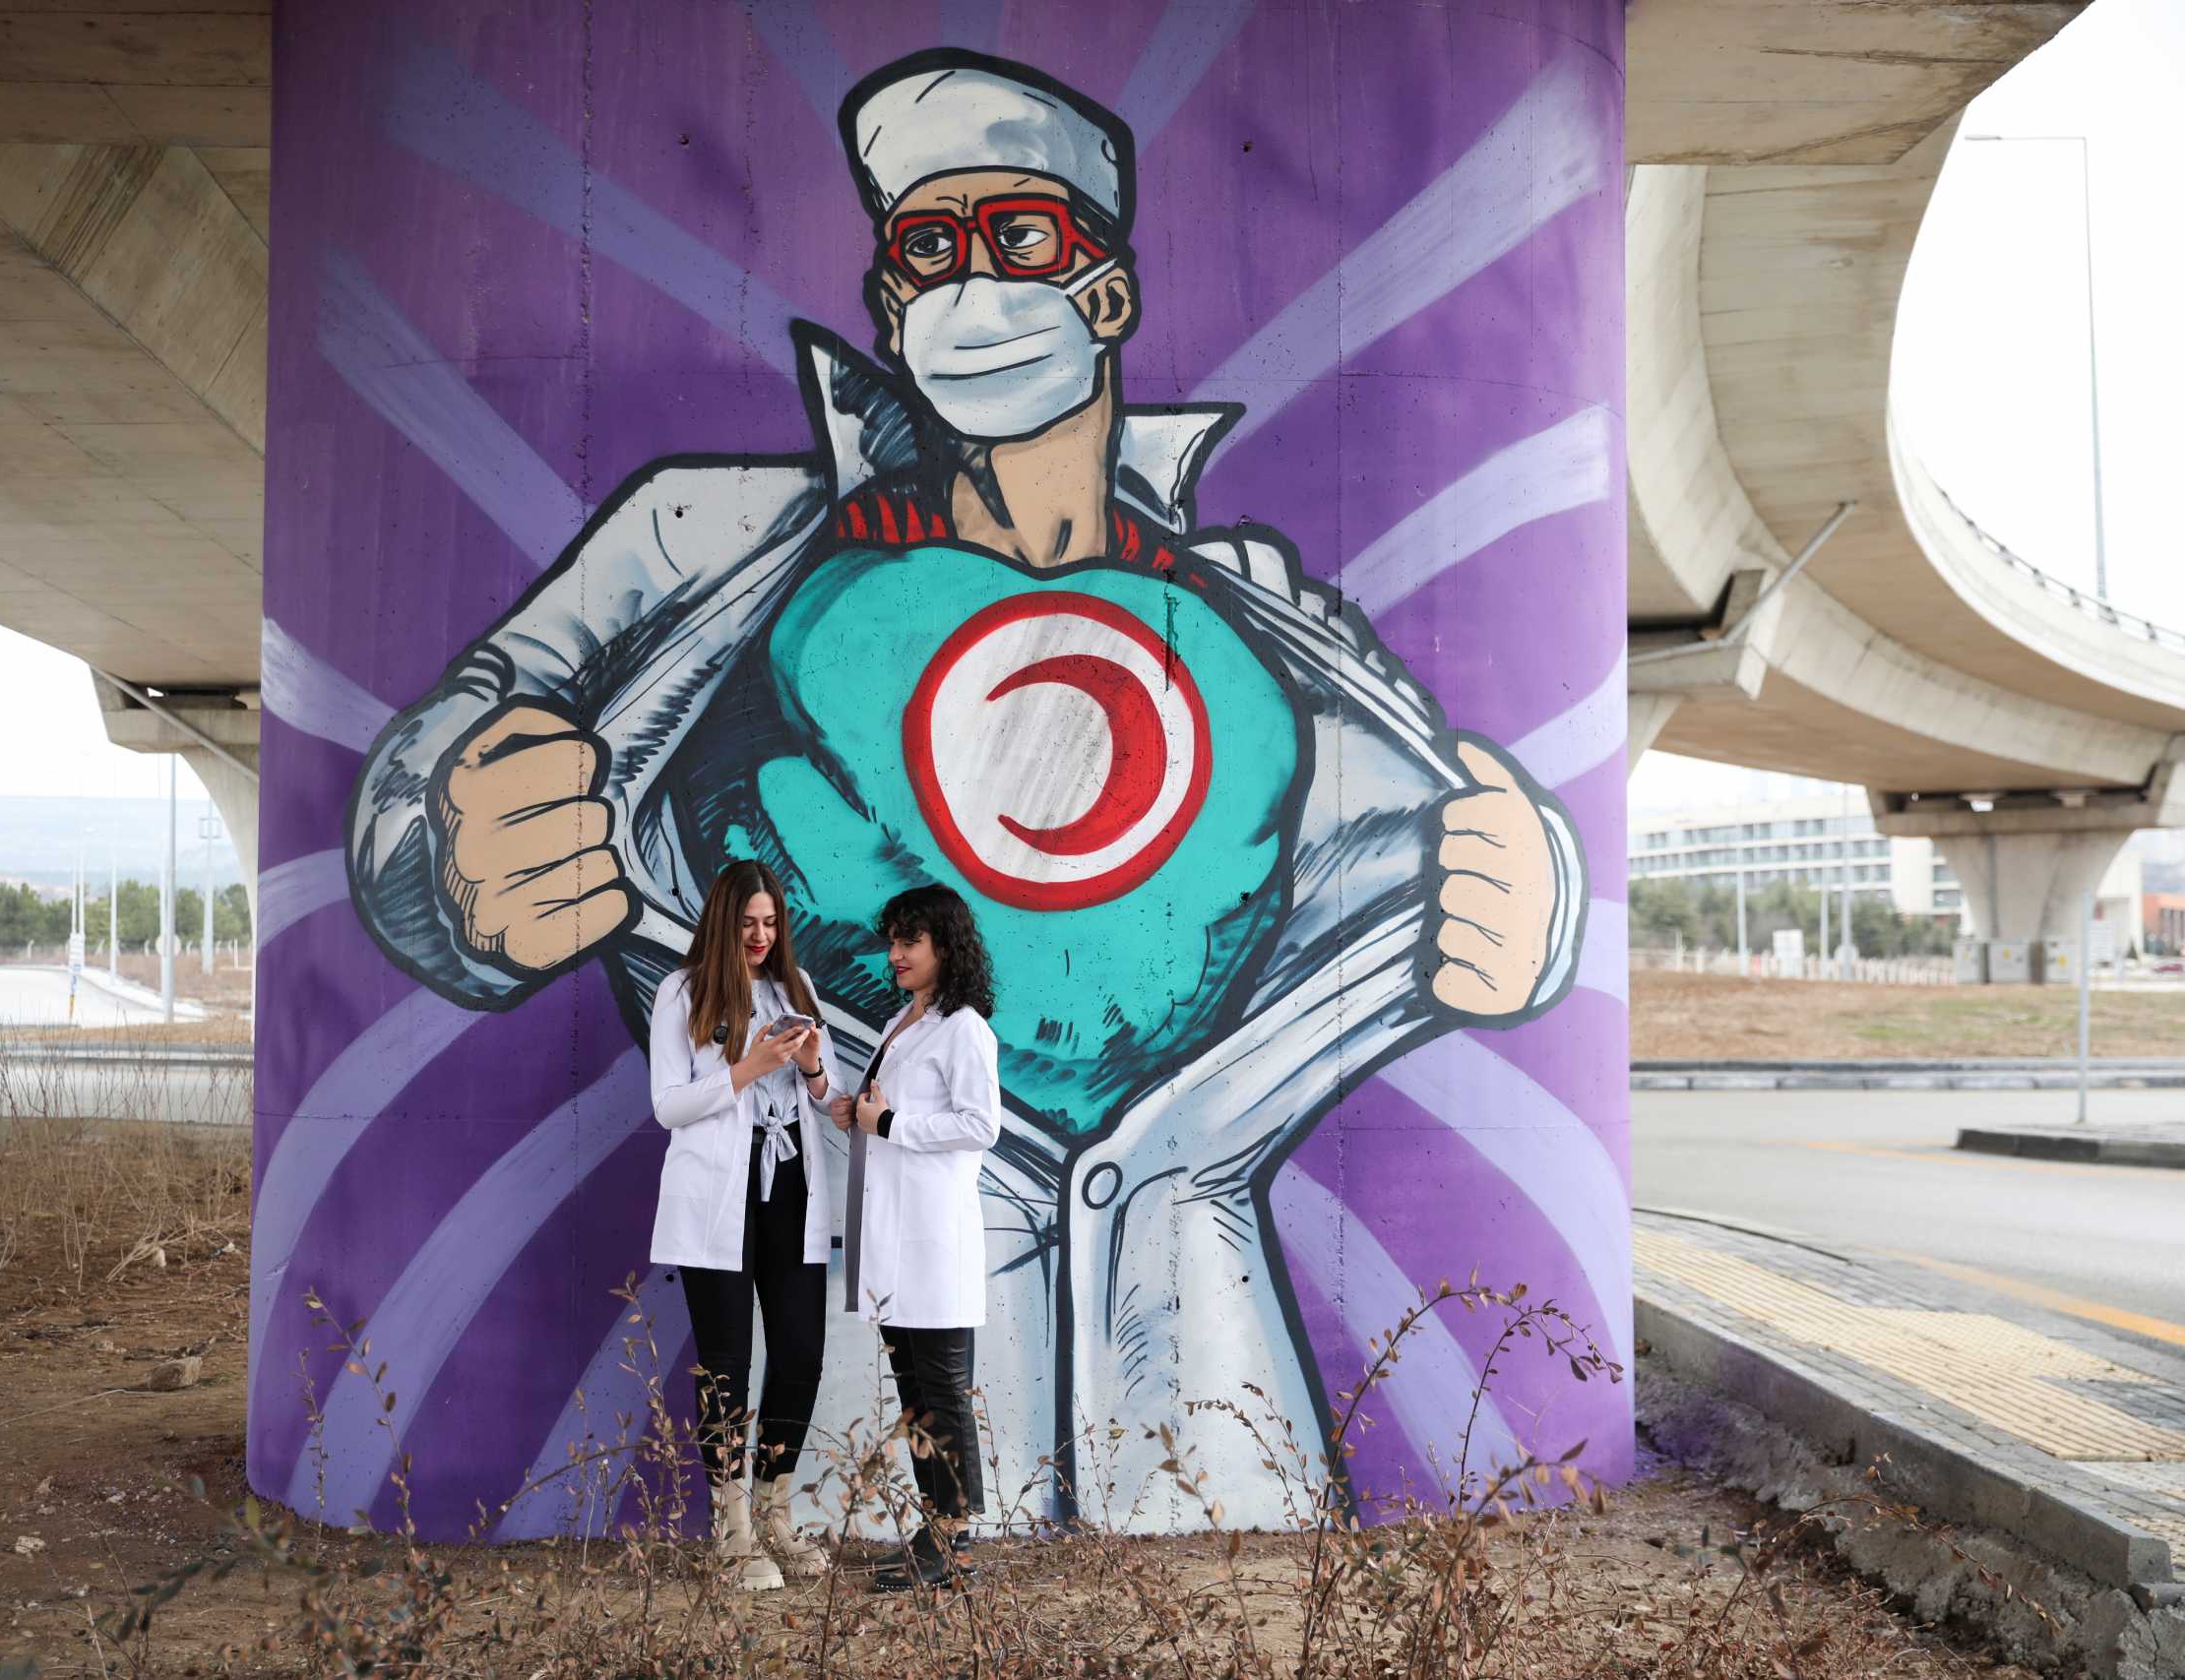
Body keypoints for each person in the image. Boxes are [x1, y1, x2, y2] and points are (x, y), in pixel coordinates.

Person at [348, 48, 1587, 1526]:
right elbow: (450, 749)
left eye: (1019, 242)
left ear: (1108, 294)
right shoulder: (715, 538)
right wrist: (451, 861)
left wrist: (1539, 903)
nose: (969, 289)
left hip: (1201, 1387)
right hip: (881, 1291)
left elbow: (1443, 823)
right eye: (926, 254)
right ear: (888, 308)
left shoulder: (1249, 603)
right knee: (886, 1527)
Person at [649, 860, 842, 1590]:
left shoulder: (797, 989)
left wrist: (816, 1067)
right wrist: (748, 1066)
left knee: (800, 1351)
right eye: (747, 923)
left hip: (790, 1187)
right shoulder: (683, 991)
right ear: (722, 921)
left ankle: (775, 1513)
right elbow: (667, 1103)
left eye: (770, 923)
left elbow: (829, 1099)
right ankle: (731, 1532)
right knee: (726, 1361)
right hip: (717, 1196)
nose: (760, 936)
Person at [832, 884, 1001, 1591]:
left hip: (933, 1241)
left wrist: (892, 1125)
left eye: (911, 940)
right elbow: (884, 1114)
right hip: (896, 1242)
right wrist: (850, 1106)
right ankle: (934, 1530)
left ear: (945, 947)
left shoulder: (964, 1028)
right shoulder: (904, 1023)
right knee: (916, 1397)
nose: (896, 953)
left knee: (943, 1395)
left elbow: (980, 1124)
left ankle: (956, 1547)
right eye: (893, 939)